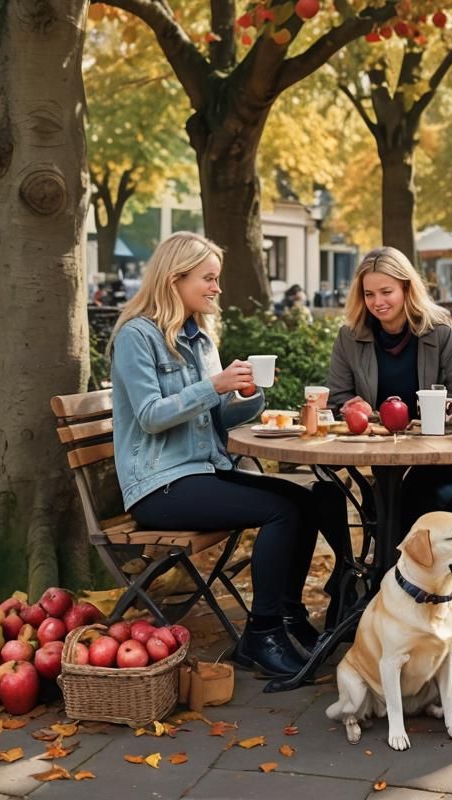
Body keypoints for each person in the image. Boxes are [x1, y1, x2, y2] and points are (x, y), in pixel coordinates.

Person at [109, 232, 322, 678]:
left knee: (305, 501)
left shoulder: (201, 339)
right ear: (175, 278)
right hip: (159, 486)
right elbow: (150, 416)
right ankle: (262, 635)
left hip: (202, 472)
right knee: (281, 510)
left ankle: (287, 618)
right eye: (208, 278)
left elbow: (218, 417)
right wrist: (214, 385)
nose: (216, 288)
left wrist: (246, 394)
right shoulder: (137, 336)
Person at [327, 247, 452, 605]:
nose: (377, 302)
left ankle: (396, 595)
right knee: (381, 505)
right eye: (369, 294)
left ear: (407, 288)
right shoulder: (351, 336)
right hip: (380, 451)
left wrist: (450, 407)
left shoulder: (440, 331)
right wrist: (352, 405)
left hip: (438, 454)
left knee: (412, 504)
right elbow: (337, 395)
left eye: (386, 291)